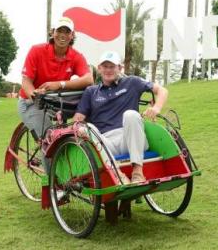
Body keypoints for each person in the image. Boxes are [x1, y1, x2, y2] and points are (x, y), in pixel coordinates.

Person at [72, 51, 168, 184]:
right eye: (105, 66)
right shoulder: (91, 92)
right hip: (105, 143)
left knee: (131, 115)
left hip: (130, 138)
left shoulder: (132, 82)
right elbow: (78, 119)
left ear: (120, 68)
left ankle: (137, 173)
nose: (108, 70)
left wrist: (156, 108)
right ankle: (118, 174)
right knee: (85, 128)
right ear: (99, 69)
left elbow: (162, 91)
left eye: (112, 66)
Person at [19, 17, 93, 139]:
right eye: (59, 31)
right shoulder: (36, 50)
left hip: (57, 103)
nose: (63, 35)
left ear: (72, 35)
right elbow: (26, 81)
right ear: (52, 32)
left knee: (86, 127)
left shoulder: (76, 56)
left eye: (67, 32)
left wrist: (60, 84)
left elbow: (89, 79)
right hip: (30, 102)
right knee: (50, 139)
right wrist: (35, 94)